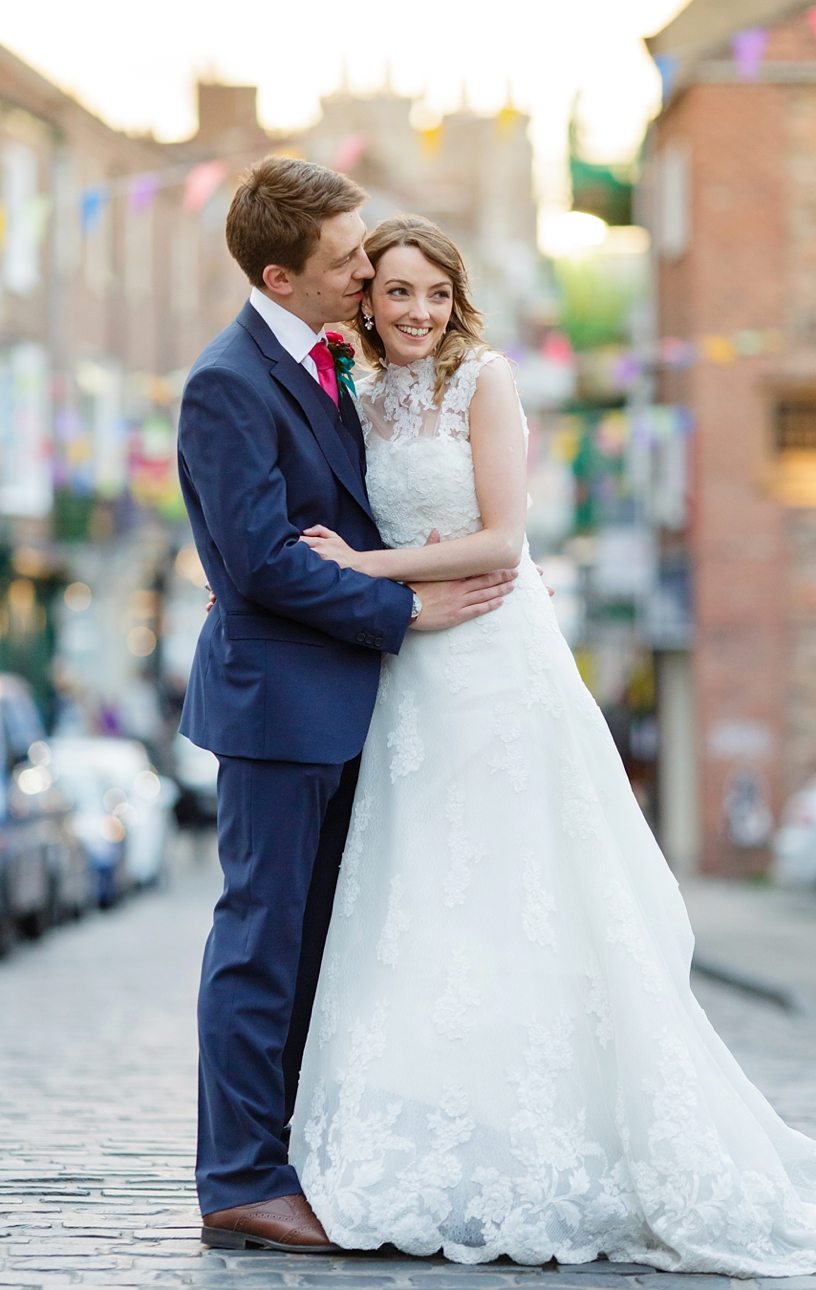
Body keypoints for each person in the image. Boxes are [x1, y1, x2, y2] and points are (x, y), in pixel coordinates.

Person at [289, 214, 816, 1274]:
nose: (416, 313)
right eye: (395, 293)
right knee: (421, 892)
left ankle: (561, 1143)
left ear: (454, 299)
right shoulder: (356, 394)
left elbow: (505, 537)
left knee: (523, 888)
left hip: (495, 661)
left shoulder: (484, 381)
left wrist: (360, 567)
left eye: (433, 293)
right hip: (411, 672)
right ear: (364, 300)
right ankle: (430, 1138)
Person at [176, 159, 516, 1254]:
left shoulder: (332, 363)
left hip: (344, 702)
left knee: (320, 942)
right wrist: (405, 612)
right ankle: (238, 1178)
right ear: (281, 275)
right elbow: (260, 563)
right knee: (259, 941)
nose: (369, 271)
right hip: (277, 703)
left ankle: (294, 1153)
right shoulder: (228, 380)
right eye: (348, 261)